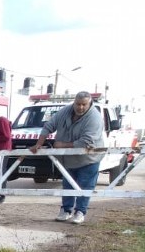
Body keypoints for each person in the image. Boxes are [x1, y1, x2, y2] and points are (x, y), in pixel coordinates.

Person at [29, 91, 104, 225]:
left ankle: (80, 212)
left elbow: (86, 141)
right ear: (74, 102)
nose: (80, 107)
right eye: (78, 104)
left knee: (84, 186)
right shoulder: (65, 111)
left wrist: (61, 145)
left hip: (88, 159)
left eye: (83, 104)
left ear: (89, 103)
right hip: (68, 159)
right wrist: (38, 144)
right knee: (68, 185)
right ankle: (66, 210)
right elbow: (49, 125)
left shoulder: (95, 117)